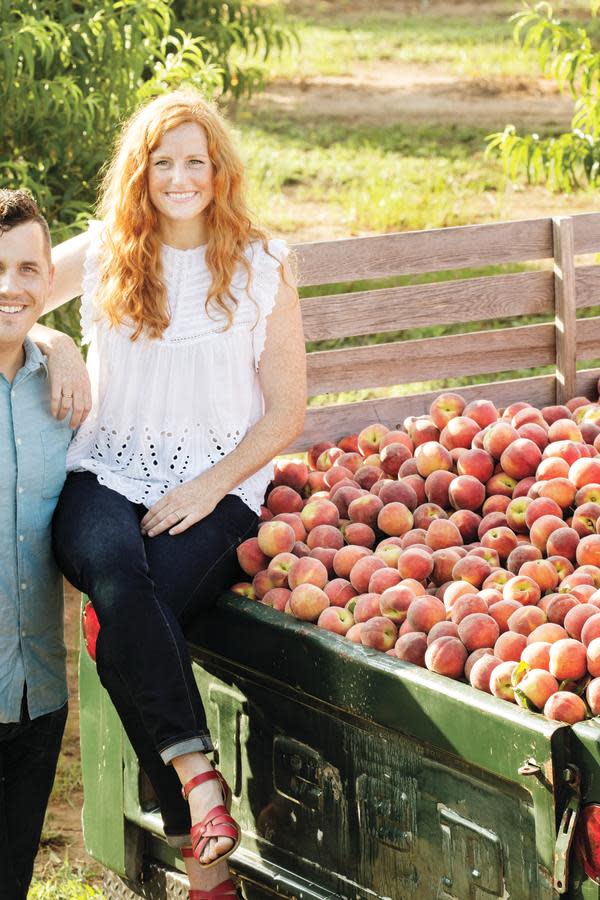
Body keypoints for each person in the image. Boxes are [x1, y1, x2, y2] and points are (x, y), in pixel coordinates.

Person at [47, 90, 307, 899]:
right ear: (141, 171)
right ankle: (200, 787)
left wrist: (210, 483)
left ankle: (206, 873)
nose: (180, 176)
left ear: (219, 169)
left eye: (196, 160)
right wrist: (56, 340)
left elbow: (287, 409)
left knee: (124, 618)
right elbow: (10, 297)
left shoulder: (262, 262)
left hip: (221, 488)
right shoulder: (104, 251)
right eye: (163, 162)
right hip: (106, 473)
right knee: (122, 579)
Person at [0, 189, 91, 899]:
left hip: (38, 691)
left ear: (49, 281)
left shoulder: (64, 392)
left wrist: (60, 344)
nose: (11, 286)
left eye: (27, 269)